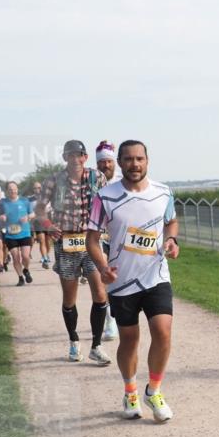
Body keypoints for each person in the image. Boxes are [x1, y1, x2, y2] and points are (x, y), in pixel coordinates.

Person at [86, 140, 179, 422]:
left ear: (147, 161)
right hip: (121, 281)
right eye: (128, 159)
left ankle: (154, 391)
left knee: (162, 331)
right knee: (129, 339)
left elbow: (171, 222)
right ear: (120, 163)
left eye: (139, 159)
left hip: (155, 275)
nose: (134, 164)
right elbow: (92, 240)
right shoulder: (105, 197)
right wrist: (103, 267)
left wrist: (172, 240)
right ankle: (130, 392)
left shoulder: (163, 192)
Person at [36, 140, 112, 365]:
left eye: (79, 154)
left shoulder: (97, 177)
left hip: (92, 242)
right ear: (65, 158)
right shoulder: (53, 181)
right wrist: (48, 225)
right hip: (66, 243)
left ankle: (96, 346)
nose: (75, 159)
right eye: (70, 155)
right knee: (70, 299)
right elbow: (39, 209)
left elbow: (109, 204)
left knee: (100, 294)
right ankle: (74, 340)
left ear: (85, 157)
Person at [93, 141, 120, 342]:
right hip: (100, 238)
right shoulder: (91, 183)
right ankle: (110, 321)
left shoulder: (123, 181)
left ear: (114, 162)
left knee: (121, 279)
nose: (106, 165)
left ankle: (122, 315)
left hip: (121, 238)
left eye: (109, 161)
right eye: (102, 162)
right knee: (104, 277)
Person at [0, 182, 34, 286]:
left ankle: (26, 269)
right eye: (10, 189)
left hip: (25, 233)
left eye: (14, 189)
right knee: (15, 257)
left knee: (25, 256)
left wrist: (28, 217)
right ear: (7, 191)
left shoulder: (24, 201)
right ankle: (20, 278)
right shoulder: (3, 202)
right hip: (11, 234)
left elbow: (32, 213)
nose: (13, 191)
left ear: (17, 189)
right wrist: (2, 217)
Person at [28, 181, 53, 269]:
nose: (37, 189)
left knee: (48, 241)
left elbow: (50, 209)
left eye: (39, 188)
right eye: (35, 188)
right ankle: (45, 259)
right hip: (37, 222)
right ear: (33, 189)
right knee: (41, 240)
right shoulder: (30, 199)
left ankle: (47, 254)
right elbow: (29, 211)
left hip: (47, 221)